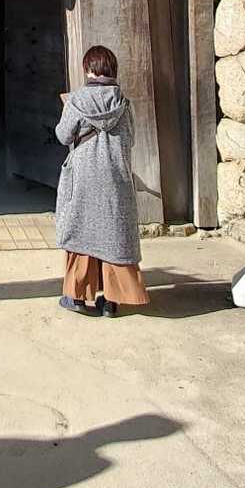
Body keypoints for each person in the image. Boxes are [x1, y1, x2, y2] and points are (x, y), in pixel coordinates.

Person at [54, 45, 148, 318]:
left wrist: (67, 110)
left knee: (80, 232)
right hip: (115, 176)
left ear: (89, 69)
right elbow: (130, 140)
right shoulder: (123, 104)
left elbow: (63, 135)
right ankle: (111, 300)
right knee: (114, 236)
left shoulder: (77, 100)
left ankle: (76, 296)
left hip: (83, 176)